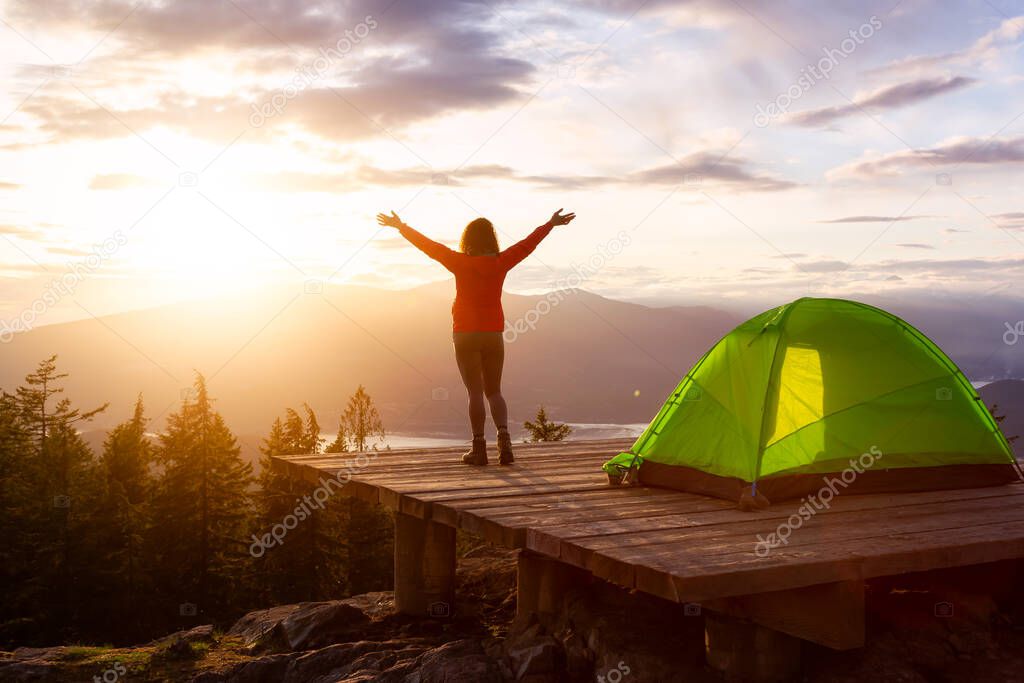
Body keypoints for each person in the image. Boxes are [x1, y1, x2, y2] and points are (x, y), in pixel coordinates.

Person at [376, 208, 577, 465]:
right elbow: (528, 245)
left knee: (475, 392)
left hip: (465, 334)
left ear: (468, 239)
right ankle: (505, 447)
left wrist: (401, 227)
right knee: (495, 392)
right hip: (493, 334)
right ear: (491, 239)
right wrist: (550, 224)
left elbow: (429, 246)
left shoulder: (459, 262)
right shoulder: (501, 261)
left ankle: (479, 449)